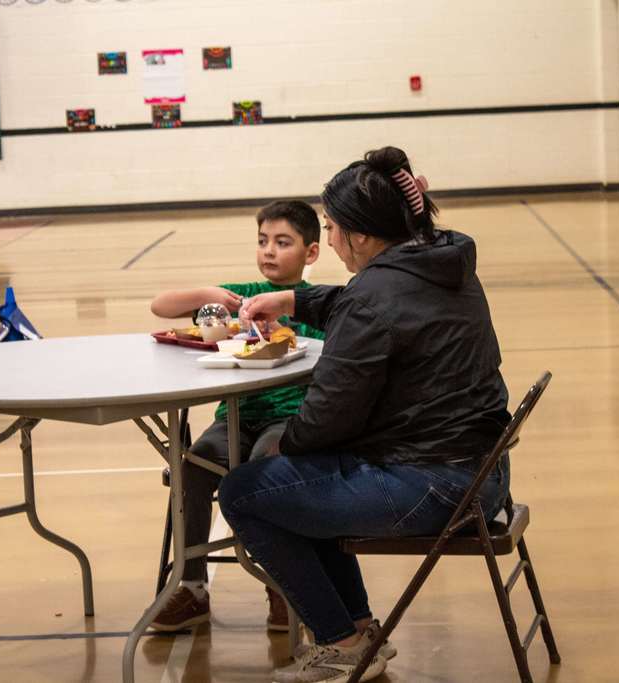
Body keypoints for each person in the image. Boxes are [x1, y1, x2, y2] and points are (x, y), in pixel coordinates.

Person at [219, 146, 513, 682]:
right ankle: (355, 629)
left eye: (331, 228)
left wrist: (284, 445)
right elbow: (366, 302)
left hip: (436, 486)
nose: (329, 239)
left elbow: (328, 416)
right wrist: (293, 301)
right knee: (299, 477)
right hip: (482, 474)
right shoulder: (442, 261)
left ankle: (343, 641)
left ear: (359, 234)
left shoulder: (375, 295)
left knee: (246, 492)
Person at [149, 200, 326, 632]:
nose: (269, 251)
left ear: (312, 252)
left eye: (283, 243)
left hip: (288, 422)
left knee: (270, 466)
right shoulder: (240, 298)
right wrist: (212, 296)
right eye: (263, 241)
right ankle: (191, 588)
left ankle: (281, 586)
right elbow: (161, 306)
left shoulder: (317, 305)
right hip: (235, 417)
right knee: (193, 465)